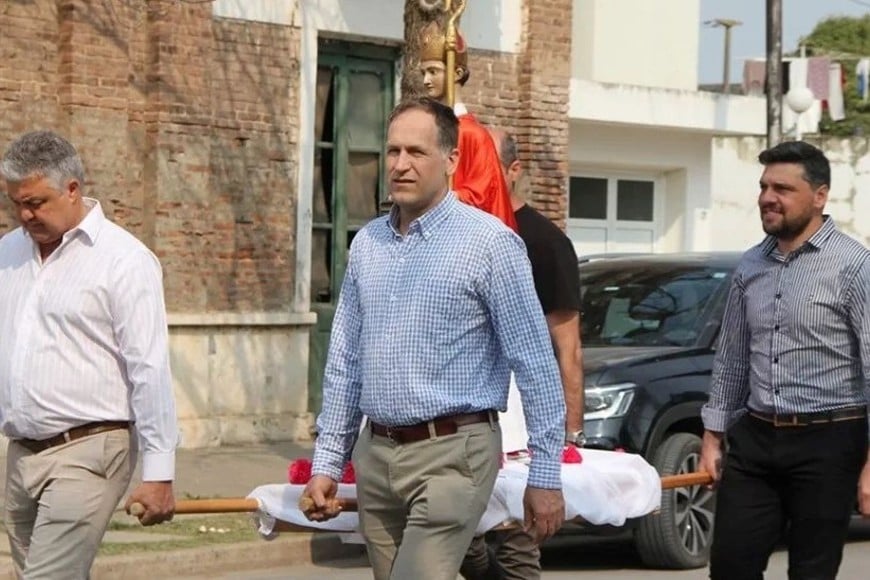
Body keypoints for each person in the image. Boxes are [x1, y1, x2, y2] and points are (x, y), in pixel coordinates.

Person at [301, 98, 567, 580]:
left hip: (454, 453)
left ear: (450, 160)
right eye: (393, 151)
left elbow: (535, 363)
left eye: (417, 152)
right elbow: (344, 362)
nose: (400, 164)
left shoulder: (490, 244)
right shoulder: (368, 244)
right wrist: (327, 463)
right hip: (377, 453)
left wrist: (545, 475)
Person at [0, 130, 179, 578]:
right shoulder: (7, 253)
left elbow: (149, 367)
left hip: (91, 448)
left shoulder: (124, 260)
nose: (25, 214)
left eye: (36, 202)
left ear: (72, 189)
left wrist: (159, 472)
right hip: (22, 453)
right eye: (16, 203)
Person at [699, 140, 870, 580]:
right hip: (755, 439)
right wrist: (712, 437)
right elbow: (732, 358)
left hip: (829, 440)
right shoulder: (750, 265)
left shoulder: (854, 266)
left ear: (819, 196)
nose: (767, 197)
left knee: (811, 571)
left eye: (783, 188)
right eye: (764, 186)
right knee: (731, 566)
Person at [460, 130, 585, 580]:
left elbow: (566, 349)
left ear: (512, 171)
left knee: (514, 546)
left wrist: (568, 439)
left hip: (518, 425)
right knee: (460, 543)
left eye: (484, 163)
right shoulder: (447, 236)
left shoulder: (545, 244)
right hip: (458, 426)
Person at [418, 21, 517, 231]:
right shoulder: (427, 130)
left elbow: (483, 195)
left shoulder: (473, 135)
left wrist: (440, 197)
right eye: (423, 73)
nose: (426, 80)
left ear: (457, 73)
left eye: (433, 72)